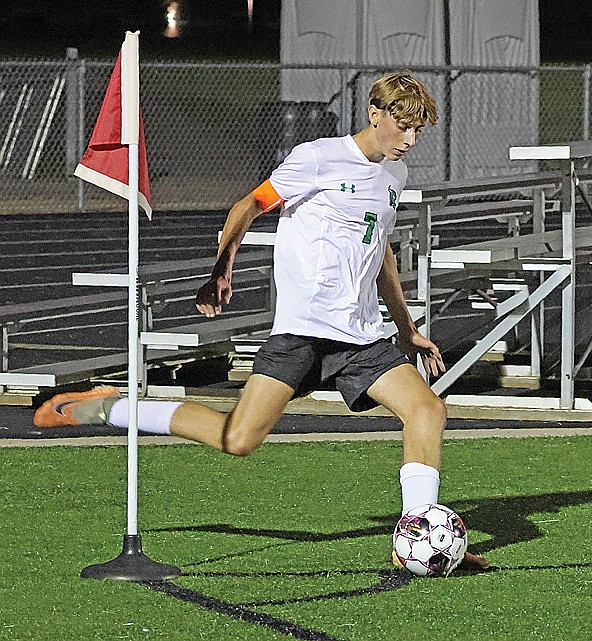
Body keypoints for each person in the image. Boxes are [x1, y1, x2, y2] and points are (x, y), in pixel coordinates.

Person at [34, 71, 487, 571]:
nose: (409, 140)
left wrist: (406, 329)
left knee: (427, 411)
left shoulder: (394, 178)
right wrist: (221, 268)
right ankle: (112, 408)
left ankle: (416, 539)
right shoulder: (317, 158)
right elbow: (249, 205)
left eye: (417, 131)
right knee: (238, 440)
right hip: (302, 332)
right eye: (402, 126)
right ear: (374, 114)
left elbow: (380, 254)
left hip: (359, 336)